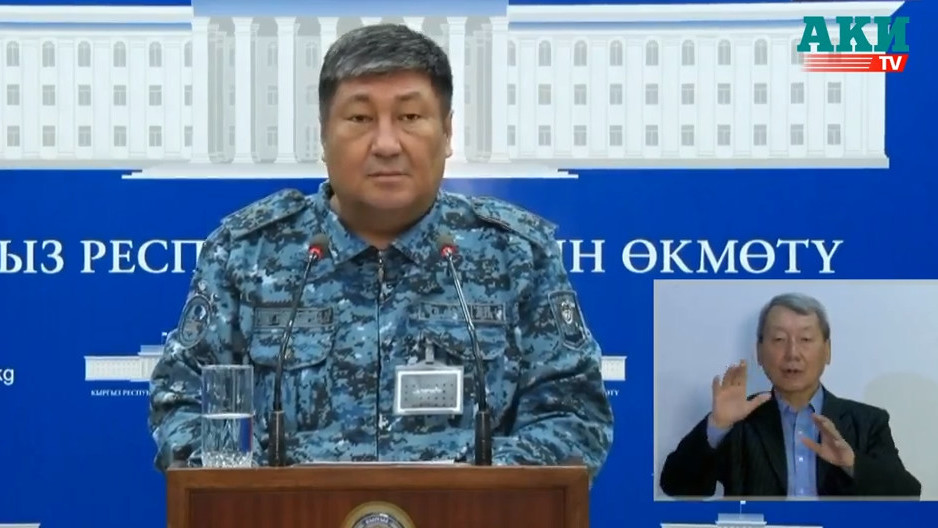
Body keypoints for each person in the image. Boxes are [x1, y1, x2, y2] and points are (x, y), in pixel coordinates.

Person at [147, 23, 614, 480]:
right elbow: (182, 401)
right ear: (323, 135)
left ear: (447, 132)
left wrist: (465, 489)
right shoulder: (246, 253)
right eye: (360, 119)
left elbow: (573, 416)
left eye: (409, 117)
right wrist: (266, 490)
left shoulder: (517, 254)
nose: (387, 144)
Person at [659, 293, 920, 499]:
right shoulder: (739, 419)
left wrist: (851, 463)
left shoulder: (867, 421)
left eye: (805, 339)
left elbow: (907, 495)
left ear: (827, 350)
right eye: (779, 339)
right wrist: (718, 427)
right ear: (759, 352)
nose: (792, 353)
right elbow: (677, 486)